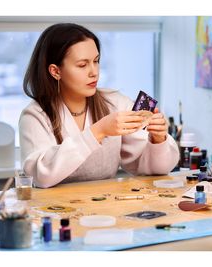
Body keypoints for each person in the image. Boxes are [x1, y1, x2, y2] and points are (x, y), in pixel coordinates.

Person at [19, 23, 179, 188]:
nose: (94, 72)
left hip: (107, 209)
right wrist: (98, 131)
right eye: (82, 65)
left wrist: (158, 139)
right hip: (54, 211)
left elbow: (154, 169)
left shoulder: (116, 103)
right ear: (55, 71)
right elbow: (38, 176)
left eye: (96, 61)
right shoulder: (34, 115)